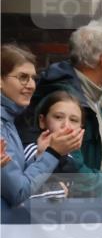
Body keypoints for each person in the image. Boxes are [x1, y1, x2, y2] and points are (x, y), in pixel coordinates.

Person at [19, 21, 102, 209]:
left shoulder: (93, 101)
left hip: (90, 211)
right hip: (66, 213)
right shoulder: (64, 101)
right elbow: (68, 167)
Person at [3, 45, 84, 206]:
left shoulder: (8, 120)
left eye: (33, 78)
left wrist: (40, 157)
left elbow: (16, 180)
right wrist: (52, 153)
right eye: (23, 77)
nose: (31, 85)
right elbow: (18, 193)